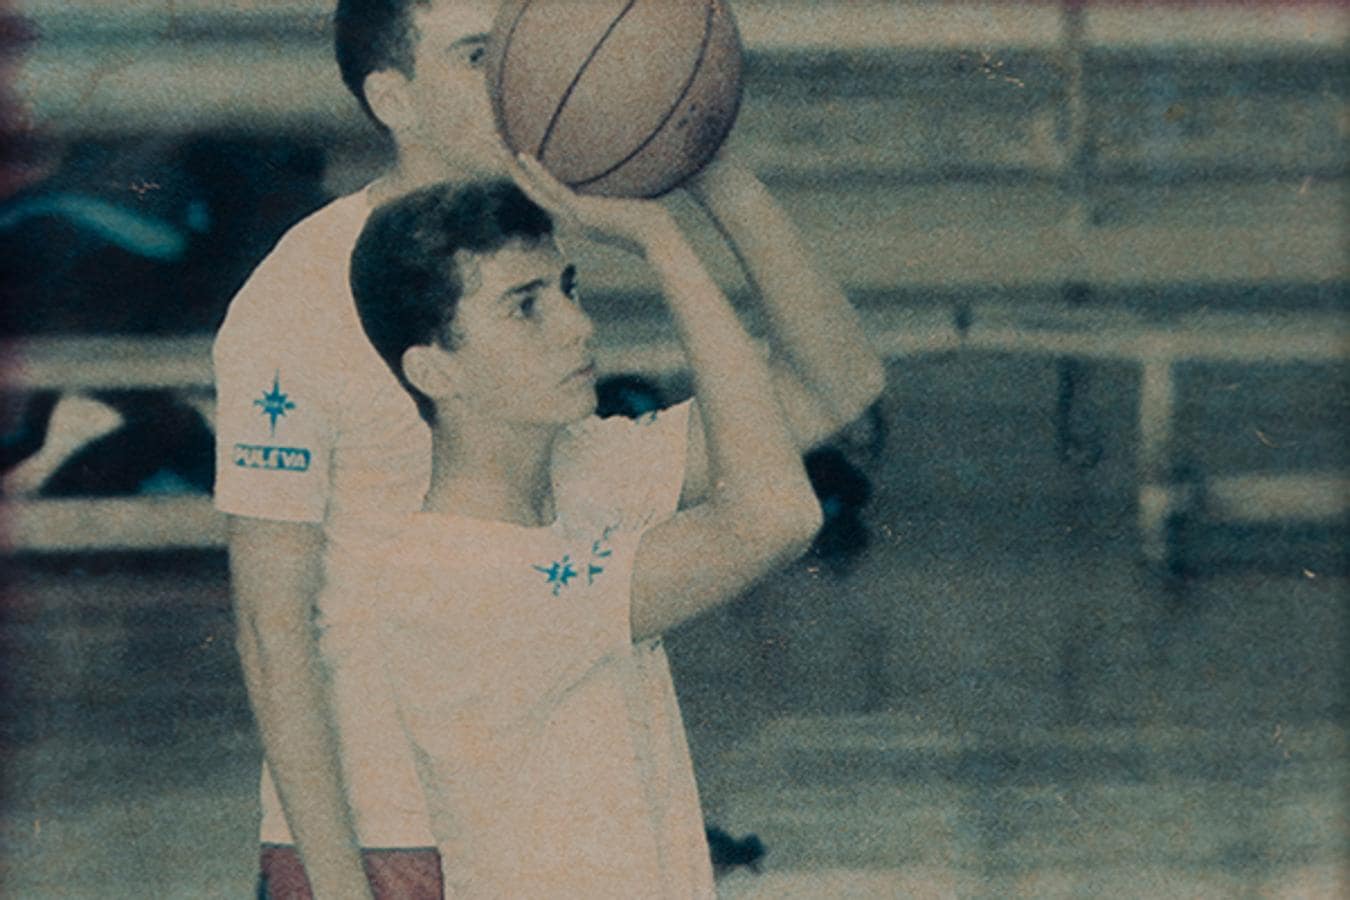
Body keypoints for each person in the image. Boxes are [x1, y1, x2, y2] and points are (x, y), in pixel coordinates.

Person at [212, 1, 885, 896]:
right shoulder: (296, 296)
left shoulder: (523, 255)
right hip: (380, 831)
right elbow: (270, 625)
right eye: (477, 56)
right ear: (394, 98)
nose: (513, 80)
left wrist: (704, 165)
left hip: (542, 800)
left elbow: (833, 389)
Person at [335, 169, 817, 896]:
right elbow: (779, 517)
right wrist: (662, 242)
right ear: (435, 369)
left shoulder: (586, 470)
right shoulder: (455, 581)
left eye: (568, 288)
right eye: (525, 307)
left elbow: (827, 385)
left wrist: (720, 179)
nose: (577, 325)